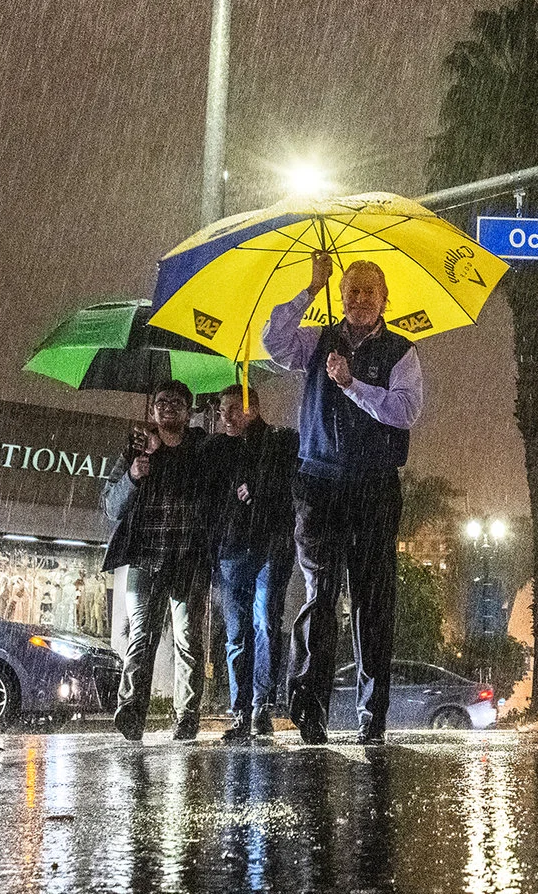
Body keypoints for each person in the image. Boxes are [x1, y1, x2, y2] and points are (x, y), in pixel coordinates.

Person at [264, 251, 423, 745]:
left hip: (374, 486)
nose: (357, 299)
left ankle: (372, 714)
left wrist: (352, 384)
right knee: (320, 595)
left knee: (374, 599)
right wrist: (310, 288)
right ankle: (309, 709)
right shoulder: (318, 340)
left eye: (367, 291)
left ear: (384, 300)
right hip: (319, 483)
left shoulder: (401, 351)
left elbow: (403, 411)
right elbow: (274, 343)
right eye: (350, 289)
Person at [101, 379, 225, 743]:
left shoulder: (200, 448)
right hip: (146, 559)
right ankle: (131, 712)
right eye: (161, 402)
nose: (167, 407)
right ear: (152, 409)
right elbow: (111, 506)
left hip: (188, 561)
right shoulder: (136, 451)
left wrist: (162, 455)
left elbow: (197, 484)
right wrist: (134, 475)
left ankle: (186, 717)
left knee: (188, 641)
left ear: (188, 413)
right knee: (141, 638)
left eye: (176, 403)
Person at [207, 382, 300, 741]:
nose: (225, 416)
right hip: (231, 551)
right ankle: (240, 711)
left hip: (270, 546)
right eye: (221, 410)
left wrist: (261, 489)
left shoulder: (279, 441)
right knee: (236, 635)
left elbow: (291, 484)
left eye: (232, 409)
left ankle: (262, 706)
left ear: (253, 409)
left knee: (265, 623)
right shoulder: (218, 449)